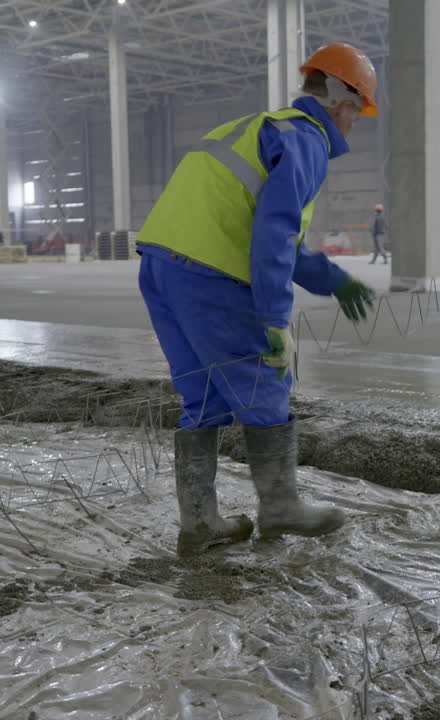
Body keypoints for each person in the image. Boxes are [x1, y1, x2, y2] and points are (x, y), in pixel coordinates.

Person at [137, 43, 379, 555]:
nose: (355, 123)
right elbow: (274, 234)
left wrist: (332, 279)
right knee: (265, 379)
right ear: (342, 102)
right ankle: (280, 507)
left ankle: (200, 524)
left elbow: (270, 232)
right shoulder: (305, 139)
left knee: (204, 395)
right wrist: (274, 319)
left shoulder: (258, 129)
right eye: (358, 111)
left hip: (161, 267)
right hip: (211, 275)